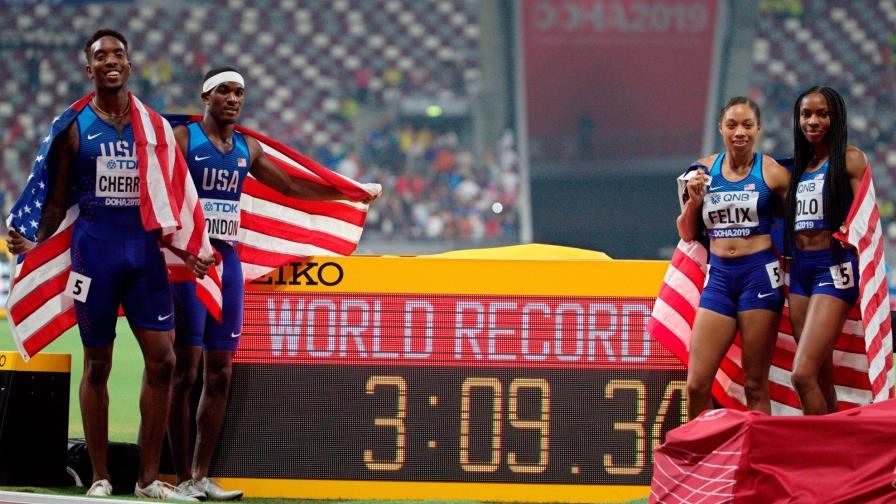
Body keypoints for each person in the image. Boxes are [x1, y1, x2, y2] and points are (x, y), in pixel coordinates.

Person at [7, 29, 210, 501]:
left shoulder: (154, 128)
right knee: (97, 363)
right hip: (93, 255)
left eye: (118, 54)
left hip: (144, 257)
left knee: (163, 359)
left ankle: (146, 480)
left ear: (130, 65)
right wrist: (32, 236)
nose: (111, 61)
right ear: (90, 69)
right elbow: (55, 204)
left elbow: (171, 199)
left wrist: (189, 249)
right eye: (101, 56)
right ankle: (100, 476)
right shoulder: (74, 126)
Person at [167, 67, 380, 500]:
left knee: (221, 372)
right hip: (188, 263)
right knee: (184, 371)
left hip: (227, 262)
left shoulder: (247, 147)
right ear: (205, 97)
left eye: (239, 92)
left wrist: (346, 192)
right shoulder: (185, 140)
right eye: (224, 91)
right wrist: (180, 248)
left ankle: (200, 476)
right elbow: (158, 191)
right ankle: (173, 477)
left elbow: (290, 186)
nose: (232, 98)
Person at [677, 97, 790, 420]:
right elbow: (687, 232)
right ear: (720, 129)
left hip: (759, 277)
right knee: (697, 385)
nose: (739, 132)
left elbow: (799, 222)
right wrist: (693, 202)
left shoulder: (773, 173)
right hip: (720, 279)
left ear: (758, 129)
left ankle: (759, 462)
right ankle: (704, 460)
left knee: (755, 385)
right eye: (732, 125)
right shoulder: (701, 172)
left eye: (746, 125)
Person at [784, 86, 865, 415]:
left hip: (833, 269)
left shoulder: (851, 159)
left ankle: (817, 454)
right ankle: (836, 455)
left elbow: (866, 216)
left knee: (801, 375)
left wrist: (851, 234)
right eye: (806, 114)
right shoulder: (801, 168)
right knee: (819, 375)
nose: (813, 121)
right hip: (801, 271)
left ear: (837, 118)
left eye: (822, 114)